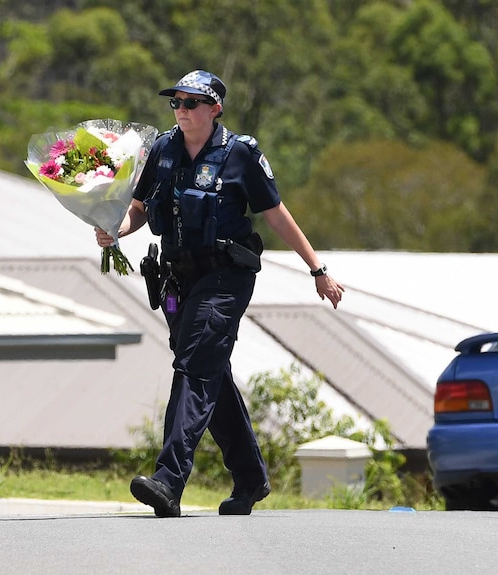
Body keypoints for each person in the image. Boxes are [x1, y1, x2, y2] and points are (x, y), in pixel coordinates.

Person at [95, 70, 345, 517]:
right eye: (177, 103)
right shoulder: (162, 151)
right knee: (209, 372)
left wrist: (317, 268)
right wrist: (115, 230)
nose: (182, 111)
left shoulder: (240, 154)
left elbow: (275, 214)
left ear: (215, 108)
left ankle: (169, 481)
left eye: (192, 103)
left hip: (226, 278)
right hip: (177, 279)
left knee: (192, 366)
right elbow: (138, 209)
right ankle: (250, 476)